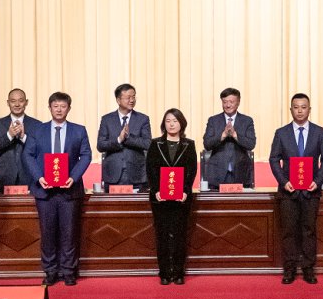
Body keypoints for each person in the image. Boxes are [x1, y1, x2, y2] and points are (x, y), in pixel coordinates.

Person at [23, 92, 92, 286]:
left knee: (69, 233)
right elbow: (28, 155)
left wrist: (73, 177)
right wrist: (39, 177)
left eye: (63, 106)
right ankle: (50, 271)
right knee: (48, 233)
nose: (59, 109)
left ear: (69, 108)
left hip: (69, 190)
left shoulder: (79, 130)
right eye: (56, 106)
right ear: (50, 108)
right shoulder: (38, 130)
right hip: (45, 191)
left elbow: (86, 155)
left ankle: (69, 271)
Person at [269, 94, 323, 284]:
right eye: (296, 107)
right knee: (288, 231)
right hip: (288, 191)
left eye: (303, 107)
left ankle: (308, 268)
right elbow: (274, 159)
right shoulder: (281, 133)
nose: (300, 111)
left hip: (311, 190)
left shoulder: (319, 132)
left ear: (309, 110)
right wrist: (283, 181)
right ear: (291, 110)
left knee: (308, 230)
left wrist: (318, 181)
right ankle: (289, 269)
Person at [146, 108, 198, 285]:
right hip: (160, 198)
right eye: (168, 121)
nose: (171, 124)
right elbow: (151, 169)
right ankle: (164, 273)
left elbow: (191, 170)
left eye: (175, 121)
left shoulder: (189, 144)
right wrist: (156, 190)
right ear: (164, 124)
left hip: (181, 198)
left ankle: (178, 272)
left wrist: (185, 191)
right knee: (162, 235)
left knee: (179, 235)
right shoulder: (156, 144)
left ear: (181, 123)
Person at [97, 83, 152, 189]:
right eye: (128, 97)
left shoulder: (143, 119)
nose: (132, 100)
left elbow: (147, 143)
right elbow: (100, 145)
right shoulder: (107, 119)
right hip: (112, 174)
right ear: (118, 100)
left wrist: (128, 137)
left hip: (137, 175)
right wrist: (119, 139)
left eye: (133, 97)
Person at [202, 87, 257, 189]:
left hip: (241, 173)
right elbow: (207, 144)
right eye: (225, 102)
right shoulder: (213, 121)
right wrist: (223, 135)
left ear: (238, 102)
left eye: (231, 102)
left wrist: (235, 135)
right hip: (217, 174)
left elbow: (251, 144)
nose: (227, 105)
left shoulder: (247, 121)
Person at [0, 88, 42, 187]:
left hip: (30, 176)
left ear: (26, 102)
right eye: (13, 101)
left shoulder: (37, 124)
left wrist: (23, 137)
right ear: (8, 103)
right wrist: (9, 135)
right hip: (5, 177)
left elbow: (40, 150)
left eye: (21, 101)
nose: (17, 104)